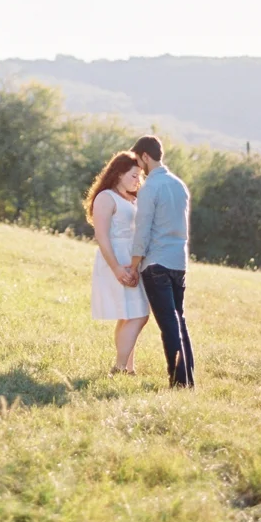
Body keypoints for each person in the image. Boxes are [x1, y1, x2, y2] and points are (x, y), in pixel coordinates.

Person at [127, 135, 195, 388]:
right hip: (179, 262)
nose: (138, 167)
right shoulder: (179, 185)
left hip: (156, 263)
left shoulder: (150, 188)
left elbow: (142, 231)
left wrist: (133, 266)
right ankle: (187, 381)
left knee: (169, 324)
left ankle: (178, 383)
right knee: (179, 321)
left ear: (145, 156)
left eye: (138, 160)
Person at [85, 152, 150, 375]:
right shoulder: (106, 197)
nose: (137, 180)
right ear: (119, 173)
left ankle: (128, 367)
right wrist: (116, 268)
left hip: (134, 261)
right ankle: (120, 366)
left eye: (140, 176)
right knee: (139, 315)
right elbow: (101, 235)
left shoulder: (134, 199)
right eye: (134, 175)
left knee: (129, 314)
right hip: (115, 259)